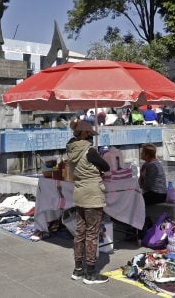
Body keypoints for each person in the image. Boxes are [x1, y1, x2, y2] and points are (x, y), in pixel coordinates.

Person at [67, 119, 110, 284]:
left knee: (80, 232)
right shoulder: (90, 151)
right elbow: (106, 167)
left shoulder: (71, 148)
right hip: (92, 194)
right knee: (92, 233)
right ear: (85, 133)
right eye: (90, 133)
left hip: (79, 193)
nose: (92, 137)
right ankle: (91, 273)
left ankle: (78, 269)